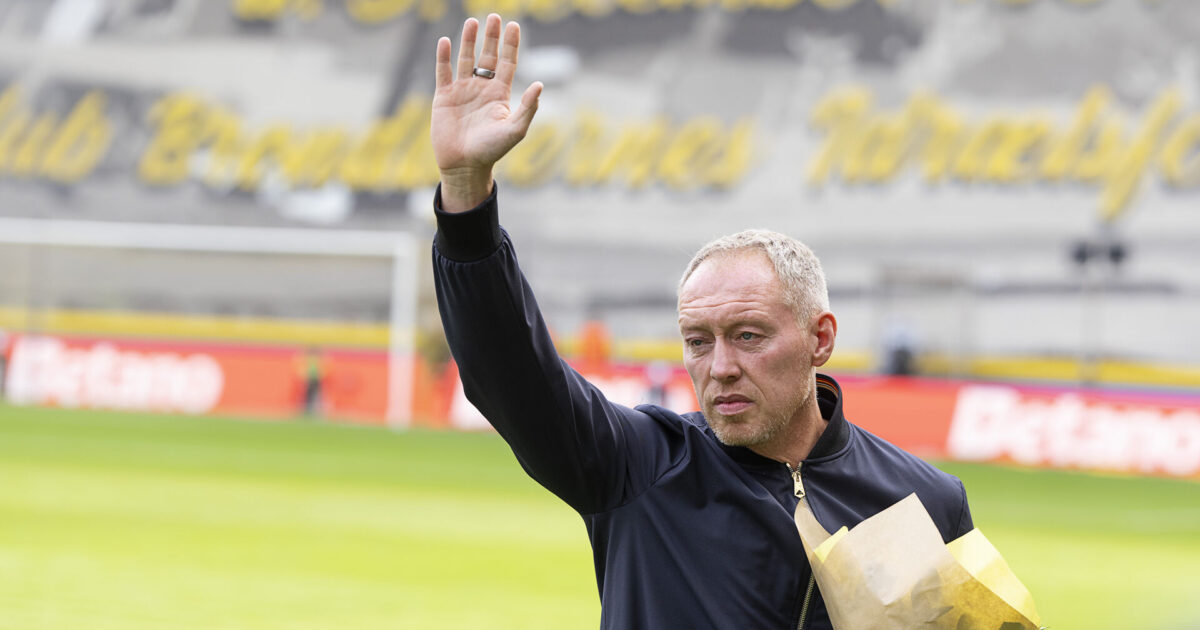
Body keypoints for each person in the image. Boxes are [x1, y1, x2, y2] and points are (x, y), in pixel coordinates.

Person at [430, 15, 973, 629]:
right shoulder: (637, 466)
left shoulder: (926, 503)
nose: (720, 367)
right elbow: (512, 372)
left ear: (820, 338)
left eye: (748, 336)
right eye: (697, 341)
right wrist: (465, 191)